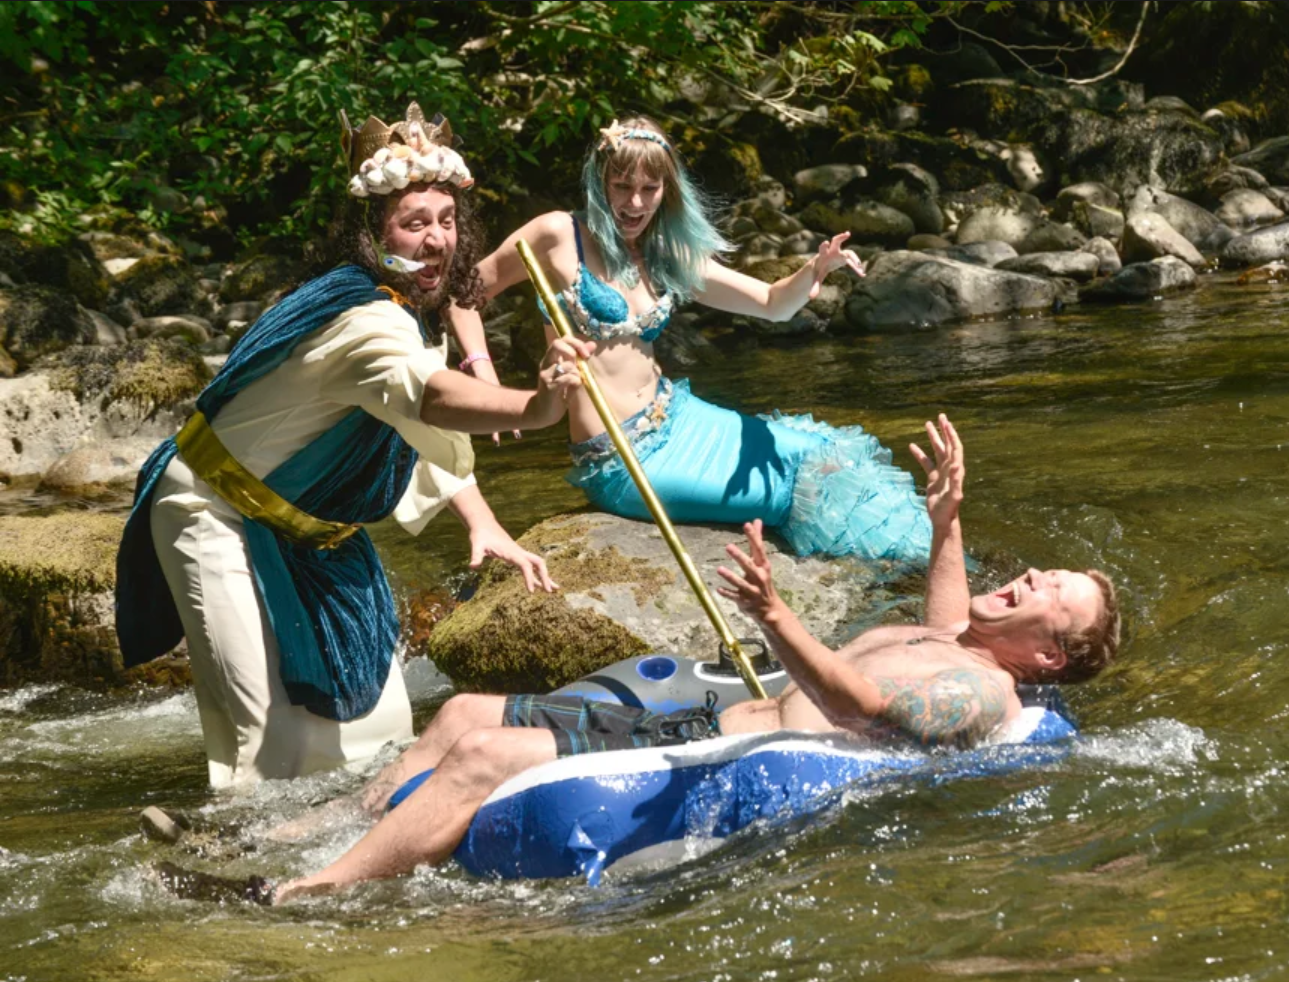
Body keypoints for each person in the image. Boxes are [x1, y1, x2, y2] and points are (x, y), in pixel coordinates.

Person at [213, 415, 1120, 903]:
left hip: (711, 743)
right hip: (696, 711)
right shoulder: (961, 639)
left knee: (485, 757)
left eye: (1054, 593)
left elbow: (863, 707)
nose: (1033, 575)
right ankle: (290, 829)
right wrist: (946, 519)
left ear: (1044, 656)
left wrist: (775, 616)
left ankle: (309, 889)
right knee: (458, 713)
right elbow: (945, 614)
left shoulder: (977, 691)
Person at [116, 103, 593, 790]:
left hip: (312, 530)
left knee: (379, 725)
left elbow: (408, 426)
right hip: (210, 509)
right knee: (264, 725)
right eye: (415, 223)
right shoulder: (366, 321)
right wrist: (538, 405)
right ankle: (235, 866)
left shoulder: (393, 310)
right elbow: (430, 399)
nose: (438, 240)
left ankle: (360, 840)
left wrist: (483, 522)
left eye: (448, 221)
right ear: (373, 234)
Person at [446, 115, 935, 564]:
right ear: (600, 182)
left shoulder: (665, 250)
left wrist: (815, 268)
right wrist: (482, 372)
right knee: (791, 491)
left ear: (666, 189)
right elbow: (463, 293)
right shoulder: (558, 234)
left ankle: (929, 563)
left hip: (678, 417)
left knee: (824, 457)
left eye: (649, 188)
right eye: (621, 185)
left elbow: (770, 303)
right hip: (621, 459)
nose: (634, 202)